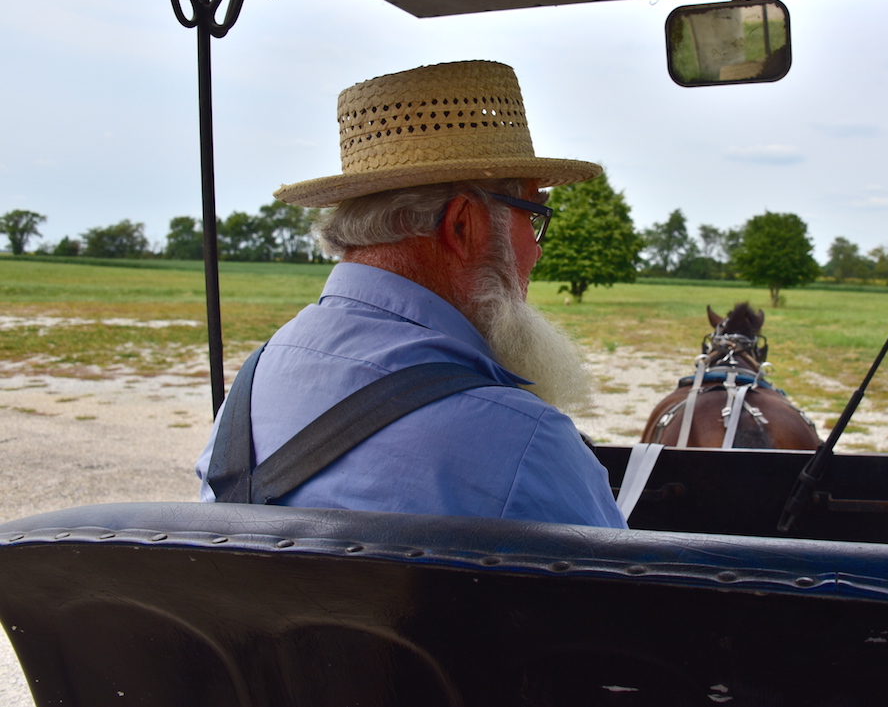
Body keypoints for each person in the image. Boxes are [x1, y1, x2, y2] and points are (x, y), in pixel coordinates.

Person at [194, 60, 626, 528]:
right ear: (464, 224)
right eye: (533, 217)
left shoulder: (255, 384)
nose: (537, 251)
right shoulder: (524, 441)